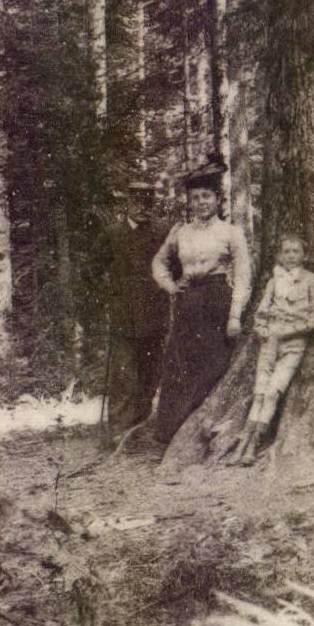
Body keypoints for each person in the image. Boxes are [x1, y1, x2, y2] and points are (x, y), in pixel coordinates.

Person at [150, 156, 252, 448]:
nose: (201, 202)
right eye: (195, 198)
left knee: (213, 367)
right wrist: (171, 285)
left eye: (206, 196)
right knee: (181, 367)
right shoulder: (180, 232)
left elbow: (243, 275)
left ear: (218, 199)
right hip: (188, 304)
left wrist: (235, 315)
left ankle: (205, 433)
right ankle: (173, 435)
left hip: (218, 303)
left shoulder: (231, 232)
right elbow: (159, 262)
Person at [229, 234, 314, 466]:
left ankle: (254, 443)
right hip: (270, 341)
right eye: (286, 252)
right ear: (280, 256)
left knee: (273, 391)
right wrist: (262, 329)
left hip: (293, 343)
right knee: (260, 392)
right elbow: (262, 311)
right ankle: (243, 444)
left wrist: (293, 330)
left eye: (296, 251)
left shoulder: (311, 280)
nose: (291, 256)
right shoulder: (274, 280)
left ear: (304, 256)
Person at [104, 176, 171, 447]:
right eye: (137, 202)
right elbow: (92, 270)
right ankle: (119, 430)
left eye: (148, 203)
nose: (142, 208)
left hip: (154, 314)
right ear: (127, 204)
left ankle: (139, 426)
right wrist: (109, 295)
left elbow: (175, 268)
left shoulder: (163, 232)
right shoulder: (113, 233)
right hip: (124, 316)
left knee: (150, 372)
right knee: (123, 373)